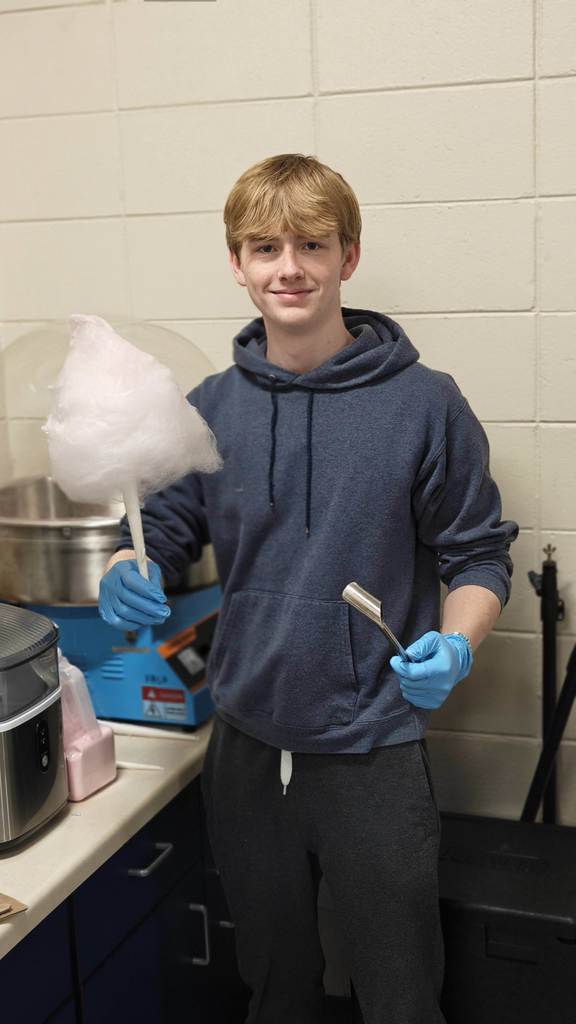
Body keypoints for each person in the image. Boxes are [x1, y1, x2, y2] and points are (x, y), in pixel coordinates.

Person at [98, 153, 519, 1024]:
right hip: (245, 744)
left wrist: (460, 643)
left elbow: (478, 557)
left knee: (401, 995)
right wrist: (123, 570)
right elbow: (165, 536)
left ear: (348, 258)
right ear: (238, 265)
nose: (288, 267)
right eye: (264, 248)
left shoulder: (425, 404)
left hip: (372, 749)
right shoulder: (210, 405)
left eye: (311, 245)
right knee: (275, 987)